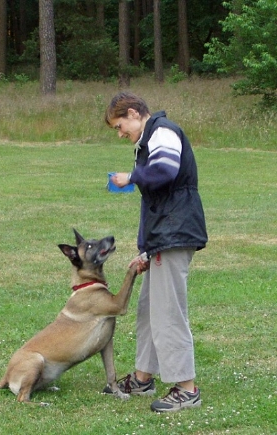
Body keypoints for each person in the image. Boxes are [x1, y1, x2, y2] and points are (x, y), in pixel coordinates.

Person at [104, 92, 208, 412]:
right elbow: (155, 201)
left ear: (134, 114)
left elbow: (165, 171)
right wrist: (147, 250)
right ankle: (142, 378)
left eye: (120, 126)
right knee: (149, 310)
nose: (120, 133)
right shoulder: (148, 140)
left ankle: (186, 388)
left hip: (176, 233)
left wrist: (130, 177)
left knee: (167, 313)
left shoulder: (163, 132)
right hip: (164, 234)